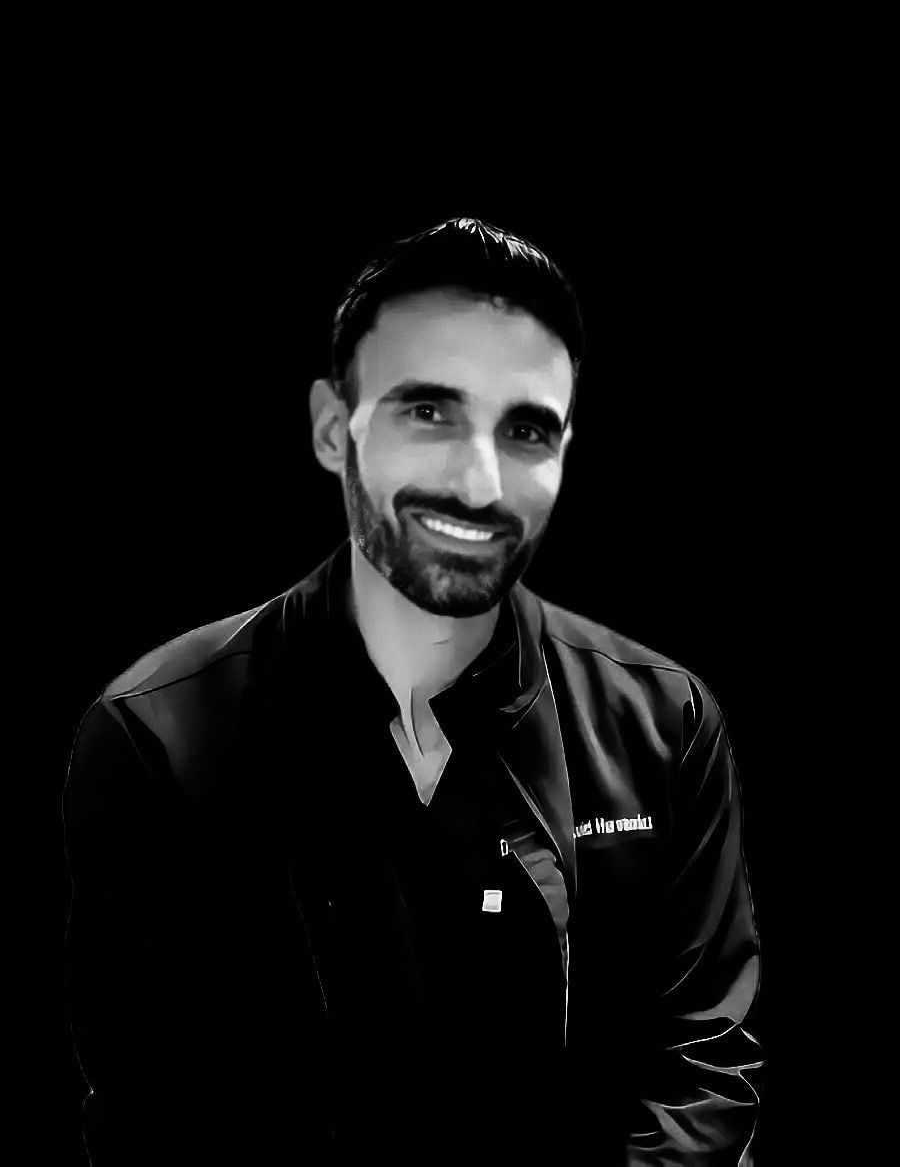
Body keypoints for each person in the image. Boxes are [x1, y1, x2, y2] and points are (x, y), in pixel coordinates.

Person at [63, 216, 763, 1163]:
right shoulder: (157, 738)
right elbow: (154, 1112)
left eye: (526, 430)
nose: (479, 484)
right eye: (428, 411)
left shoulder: (665, 724)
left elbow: (703, 1064)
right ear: (332, 427)